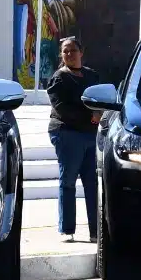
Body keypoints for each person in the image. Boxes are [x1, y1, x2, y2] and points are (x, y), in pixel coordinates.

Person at [46, 36, 100, 243]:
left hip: (91, 135)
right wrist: (90, 116)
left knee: (92, 183)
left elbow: (103, 100)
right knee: (68, 181)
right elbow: (62, 109)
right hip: (67, 133)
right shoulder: (59, 79)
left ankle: (96, 231)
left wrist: (101, 113)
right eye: (65, 51)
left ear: (81, 52)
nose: (69, 54)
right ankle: (67, 229)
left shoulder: (92, 76)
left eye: (72, 50)